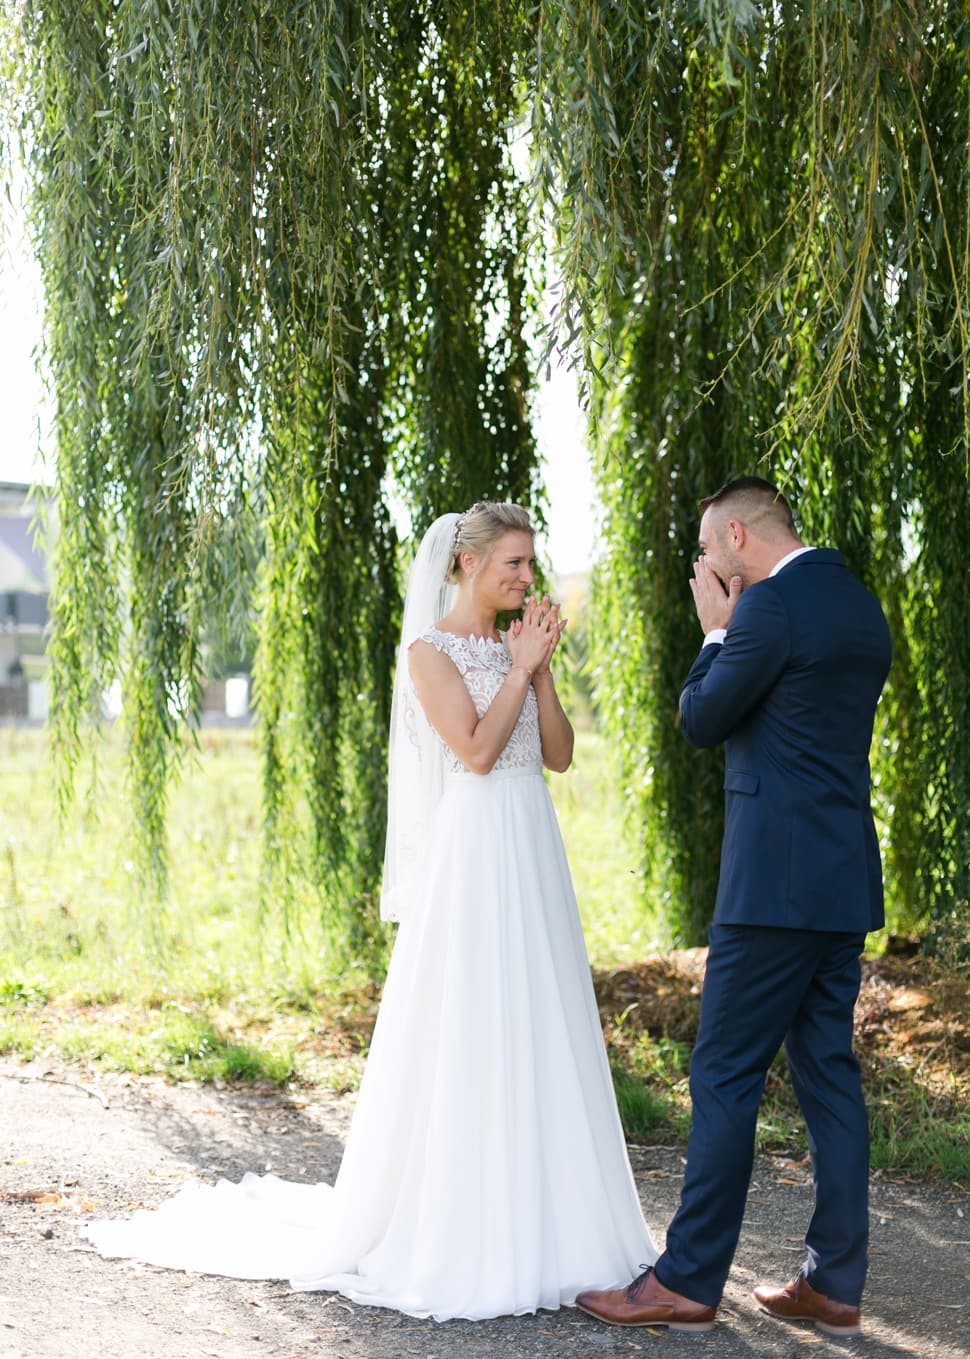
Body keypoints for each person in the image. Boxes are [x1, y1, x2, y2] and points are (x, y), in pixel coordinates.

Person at [86, 501, 655, 1320]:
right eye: (514, 565)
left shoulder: (515, 646)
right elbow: (477, 750)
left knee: (543, 1019)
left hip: (533, 845)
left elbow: (557, 755)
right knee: (476, 1023)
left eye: (531, 565)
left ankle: (562, 1218)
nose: (527, 578)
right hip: (476, 849)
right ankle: (471, 1222)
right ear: (466, 565)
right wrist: (522, 668)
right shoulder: (429, 653)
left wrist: (542, 666)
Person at [575, 477, 892, 1337]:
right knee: (829, 1078)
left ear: (742, 539)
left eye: (711, 550)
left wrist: (716, 628)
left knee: (722, 1076)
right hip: (840, 885)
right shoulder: (859, 604)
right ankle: (834, 1280)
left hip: (770, 896)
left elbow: (702, 715)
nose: (707, 565)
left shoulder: (767, 610)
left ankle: (684, 1278)